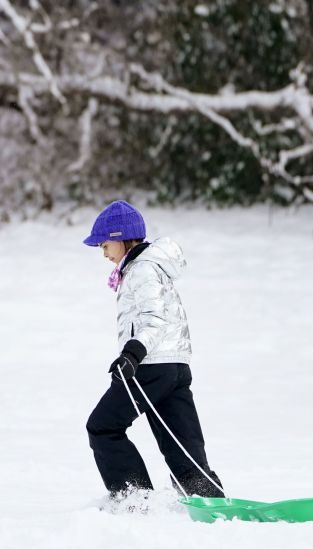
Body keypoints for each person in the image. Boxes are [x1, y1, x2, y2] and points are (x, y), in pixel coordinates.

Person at [82, 200, 224, 502]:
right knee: (181, 444)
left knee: (102, 426)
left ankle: (134, 498)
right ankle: (206, 499)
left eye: (105, 244)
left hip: (150, 364)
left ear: (122, 238)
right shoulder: (150, 267)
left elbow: (153, 317)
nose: (104, 253)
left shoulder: (142, 269)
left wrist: (132, 353)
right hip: (174, 366)